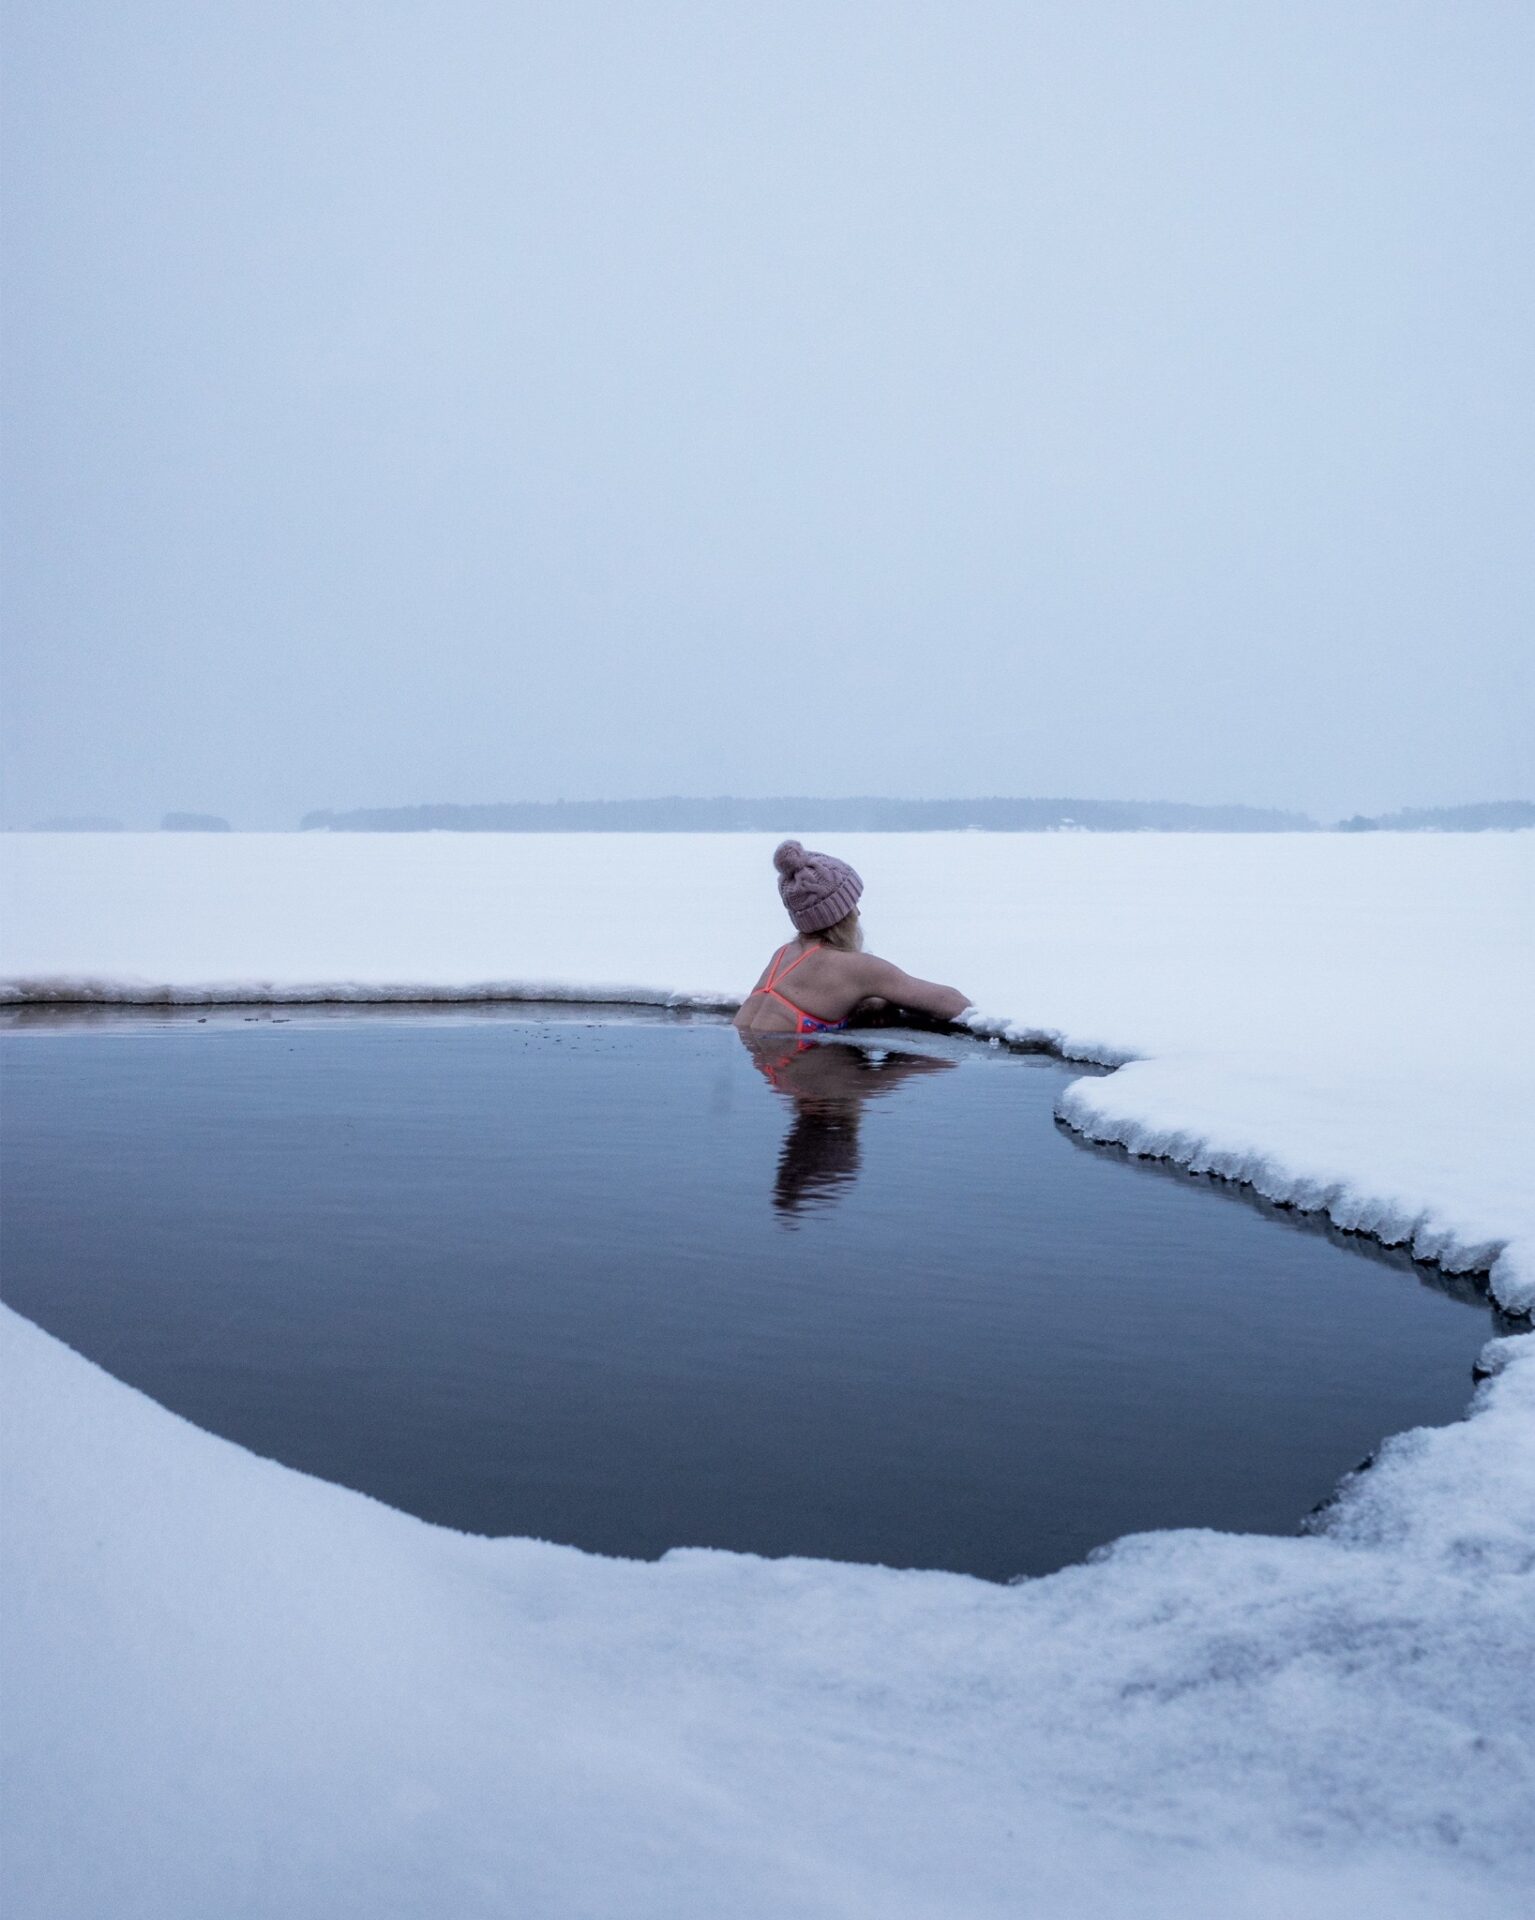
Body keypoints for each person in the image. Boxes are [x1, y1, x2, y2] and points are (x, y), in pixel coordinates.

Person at [733, 841, 971, 1036]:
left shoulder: (783, 954)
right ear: (840, 915)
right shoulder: (856, 967)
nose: (858, 913)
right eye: (853, 905)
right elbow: (954, 1003)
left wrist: (867, 1005)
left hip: (767, 1077)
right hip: (802, 1075)